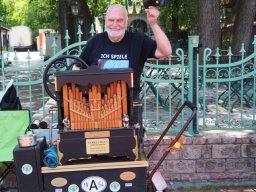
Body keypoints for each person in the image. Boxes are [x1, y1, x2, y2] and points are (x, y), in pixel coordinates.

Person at [79, 4, 171, 99]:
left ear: (126, 22)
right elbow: (77, 67)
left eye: (119, 20)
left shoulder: (138, 40)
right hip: (98, 104)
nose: (115, 24)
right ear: (105, 20)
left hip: (129, 102)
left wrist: (153, 24)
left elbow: (165, 51)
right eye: (111, 20)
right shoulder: (95, 41)